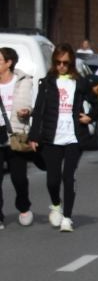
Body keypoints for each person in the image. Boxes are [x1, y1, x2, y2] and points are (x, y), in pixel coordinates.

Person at [26, 45, 98, 232]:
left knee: (68, 177)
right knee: (52, 180)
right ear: (54, 62)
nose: (61, 66)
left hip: (74, 138)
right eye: (58, 62)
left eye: (65, 63)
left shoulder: (80, 82)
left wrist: (90, 117)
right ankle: (55, 205)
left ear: (71, 63)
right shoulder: (47, 83)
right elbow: (38, 112)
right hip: (52, 138)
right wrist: (34, 136)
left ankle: (67, 218)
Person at [1, 47, 37, 225]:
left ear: (8, 63)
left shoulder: (23, 81)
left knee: (19, 177)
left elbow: (30, 104)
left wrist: (27, 111)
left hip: (15, 133)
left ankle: (23, 207)